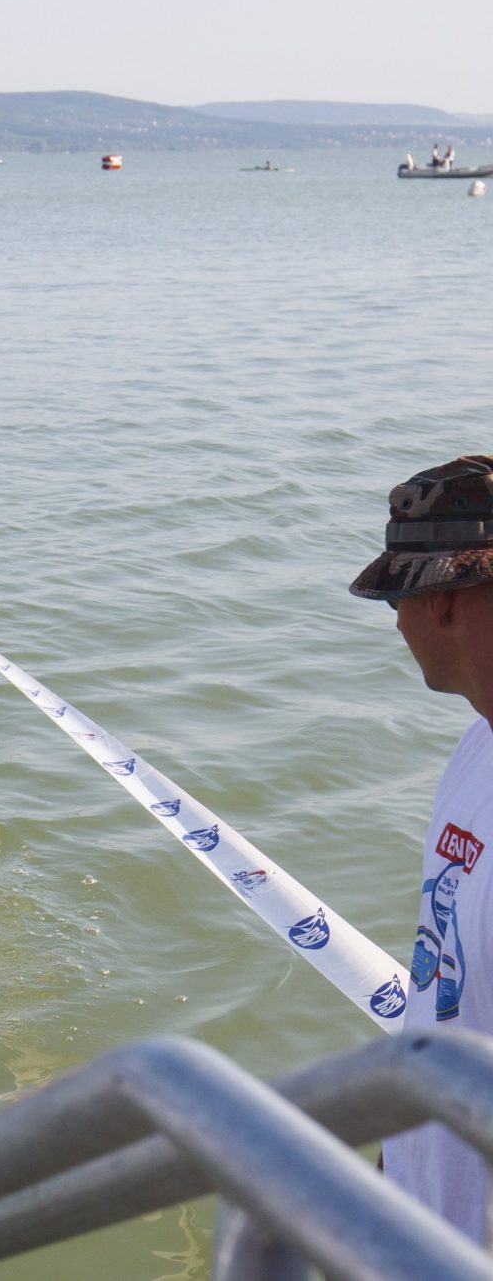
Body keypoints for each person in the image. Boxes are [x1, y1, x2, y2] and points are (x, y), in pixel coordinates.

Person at [358, 456, 493, 1241]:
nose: (397, 623)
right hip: (413, 1212)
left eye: (395, 601)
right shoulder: (476, 747)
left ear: (438, 600)